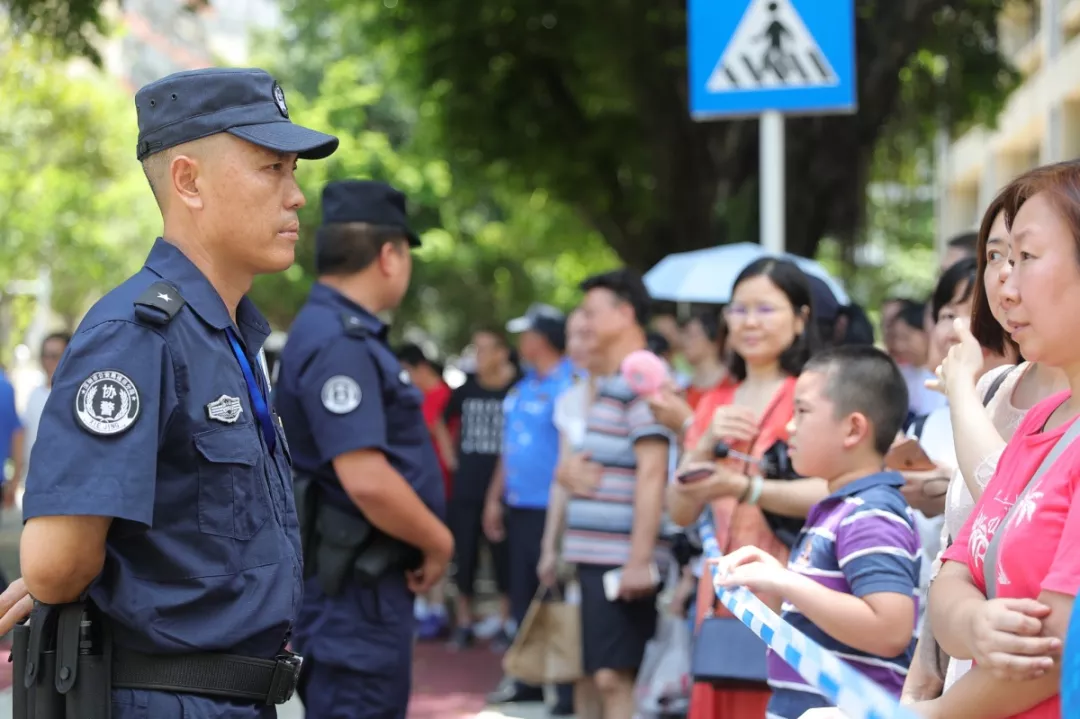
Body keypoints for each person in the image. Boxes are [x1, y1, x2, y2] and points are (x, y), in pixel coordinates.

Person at [16, 66, 338, 717]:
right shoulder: (137, 334)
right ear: (188, 181)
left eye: (294, 172)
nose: (297, 196)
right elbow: (56, 564)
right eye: (272, 169)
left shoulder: (223, 333)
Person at [274, 179, 451, 719]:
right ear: (389, 255)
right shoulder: (340, 342)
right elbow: (366, 480)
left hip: (358, 587)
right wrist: (439, 542)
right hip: (354, 593)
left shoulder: (337, 331)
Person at [912, 162, 1080, 719]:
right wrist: (971, 622)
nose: (1003, 285)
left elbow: (1051, 652)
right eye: (996, 258)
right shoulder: (1041, 420)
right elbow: (956, 566)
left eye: (1026, 256)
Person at [713, 346, 920, 718]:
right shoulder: (840, 508)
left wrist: (785, 581)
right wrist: (779, 577)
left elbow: (890, 629)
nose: (789, 427)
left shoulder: (870, 513)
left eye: (802, 412)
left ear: (853, 429)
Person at [558, 269, 672, 718]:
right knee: (598, 675)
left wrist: (639, 559)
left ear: (625, 314)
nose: (583, 323)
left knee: (613, 678)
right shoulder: (614, 380)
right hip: (600, 556)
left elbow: (653, 472)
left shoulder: (644, 379)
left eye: (591, 313)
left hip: (621, 559)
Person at [484, 302, 576, 715]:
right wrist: (494, 498)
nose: (521, 341)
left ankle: (565, 684)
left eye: (527, 334)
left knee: (556, 593)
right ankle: (529, 680)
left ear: (543, 339)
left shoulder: (570, 384)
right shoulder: (522, 388)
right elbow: (510, 449)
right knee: (522, 590)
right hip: (519, 505)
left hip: (552, 508)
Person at [436, 328, 517, 650]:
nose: (479, 357)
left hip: (504, 487)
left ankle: (505, 621)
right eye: (476, 349)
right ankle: (464, 622)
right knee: (465, 553)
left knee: (503, 555)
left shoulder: (515, 388)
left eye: (485, 349)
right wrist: (450, 457)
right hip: (467, 486)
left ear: (501, 353)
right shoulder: (465, 389)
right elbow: (439, 421)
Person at [397, 342, 454, 640]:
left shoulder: (446, 397)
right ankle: (422, 608)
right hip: (415, 483)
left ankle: (437, 608)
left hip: (441, 484)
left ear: (420, 367)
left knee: (436, 545)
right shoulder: (413, 397)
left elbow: (449, 446)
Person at [20, 332, 70, 487]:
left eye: (55, 356)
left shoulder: (75, 397)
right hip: (34, 481)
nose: (48, 361)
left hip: (64, 482)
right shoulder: (34, 394)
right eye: (45, 356)